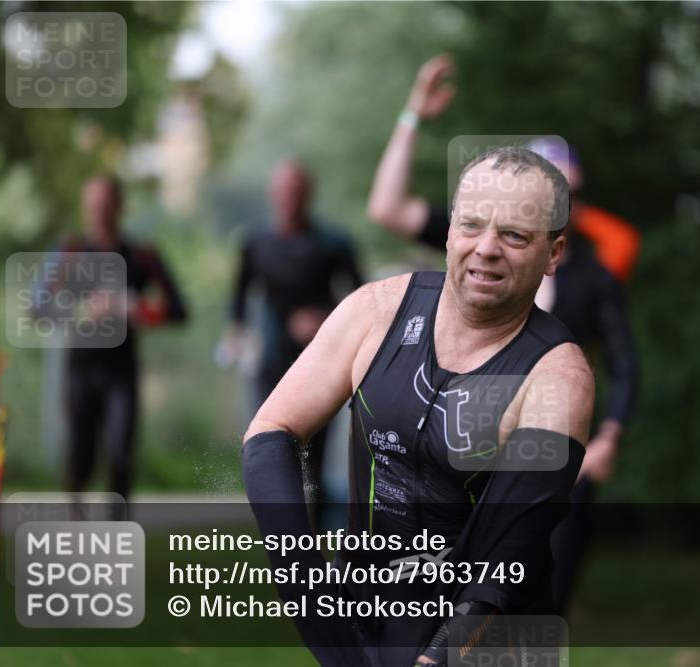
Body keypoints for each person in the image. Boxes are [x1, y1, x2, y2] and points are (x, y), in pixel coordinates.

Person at [242, 147, 594, 666]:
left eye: (515, 235)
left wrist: (435, 659)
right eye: (472, 225)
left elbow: (505, 563)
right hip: (361, 618)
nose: (487, 248)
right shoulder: (375, 311)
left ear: (552, 253)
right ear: (450, 230)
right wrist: (307, 584)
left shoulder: (559, 379)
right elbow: (271, 429)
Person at [366, 54, 639, 612]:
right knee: (441, 604)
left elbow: (626, 363)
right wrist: (412, 117)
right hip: (463, 447)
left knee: (534, 601)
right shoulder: (476, 241)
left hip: (548, 452)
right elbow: (387, 207)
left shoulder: (589, 277)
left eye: (571, 197)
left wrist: (607, 437)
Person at [222, 160, 363, 506]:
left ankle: (312, 541)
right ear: (274, 195)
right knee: (271, 451)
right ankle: (284, 540)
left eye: (297, 191)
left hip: (321, 365)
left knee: (310, 460)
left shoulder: (333, 243)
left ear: (308, 195)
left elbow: (364, 301)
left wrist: (325, 319)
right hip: (271, 362)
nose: (290, 198)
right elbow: (239, 297)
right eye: (284, 191)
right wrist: (235, 335)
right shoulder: (255, 243)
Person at [53, 175, 187, 501]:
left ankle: (117, 537)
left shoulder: (141, 255)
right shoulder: (70, 253)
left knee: (120, 454)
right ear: (85, 208)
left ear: (119, 207)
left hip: (121, 371)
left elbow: (178, 309)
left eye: (105, 205)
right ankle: (75, 523)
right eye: (93, 205)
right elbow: (38, 306)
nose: (99, 212)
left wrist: (135, 308)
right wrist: (82, 311)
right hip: (80, 369)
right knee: (81, 455)